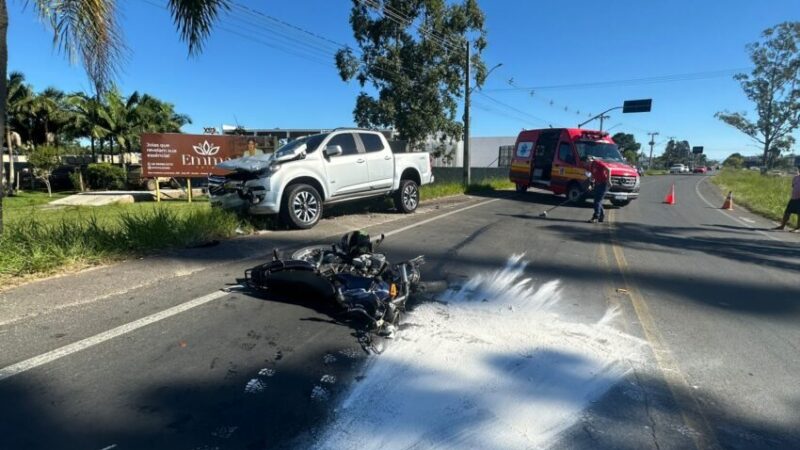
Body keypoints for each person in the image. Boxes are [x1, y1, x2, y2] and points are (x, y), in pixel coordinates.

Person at [773, 166, 800, 232]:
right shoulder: (796, 178)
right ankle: (782, 226)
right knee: (787, 212)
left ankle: (798, 228)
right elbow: (793, 186)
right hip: (794, 198)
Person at [588, 156, 611, 223]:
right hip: (597, 184)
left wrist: (609, 180)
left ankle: (596, 216)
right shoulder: (591, 166)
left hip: (603, 184)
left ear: (592, 159)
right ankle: (601, 215)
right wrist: (590, 185)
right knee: (597, 201)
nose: (588, 161)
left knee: (597, 201)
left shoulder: (598, 163)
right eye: (587, 161)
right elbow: (592, 176)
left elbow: (608, 170)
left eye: (589, 160)